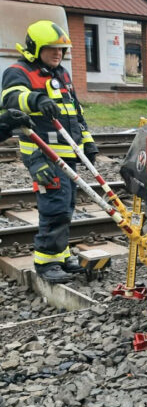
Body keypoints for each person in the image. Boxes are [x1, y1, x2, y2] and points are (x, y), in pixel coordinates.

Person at [1, 20, 98, 284]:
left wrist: (87, 141)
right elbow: (11, 97)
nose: (58, 53)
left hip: (67, 155)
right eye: (52, 49)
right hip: (42, 156)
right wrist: (36, 99)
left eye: (61, 49)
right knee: (54, 208)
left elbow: (76, 112)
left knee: (67, 206)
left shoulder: (62, 74)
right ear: (35, 48)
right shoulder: (18, 71)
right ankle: (47, 262)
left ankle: (61, 255)